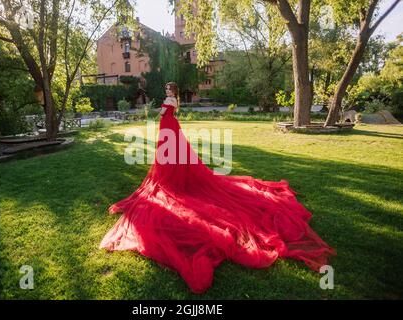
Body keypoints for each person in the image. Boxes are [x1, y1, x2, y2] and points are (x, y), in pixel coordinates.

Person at [100, 82, 336, 294]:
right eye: (166, 90)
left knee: (175, 158)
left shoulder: (171, 101)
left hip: (169, 127)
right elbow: (165, 113)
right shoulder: (172, 101)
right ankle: (173, 174)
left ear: (173, 92)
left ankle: (175, 177)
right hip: (169, 128)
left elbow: (163, 112)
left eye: (169, 90)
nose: (167, 92)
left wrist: (161, 106)